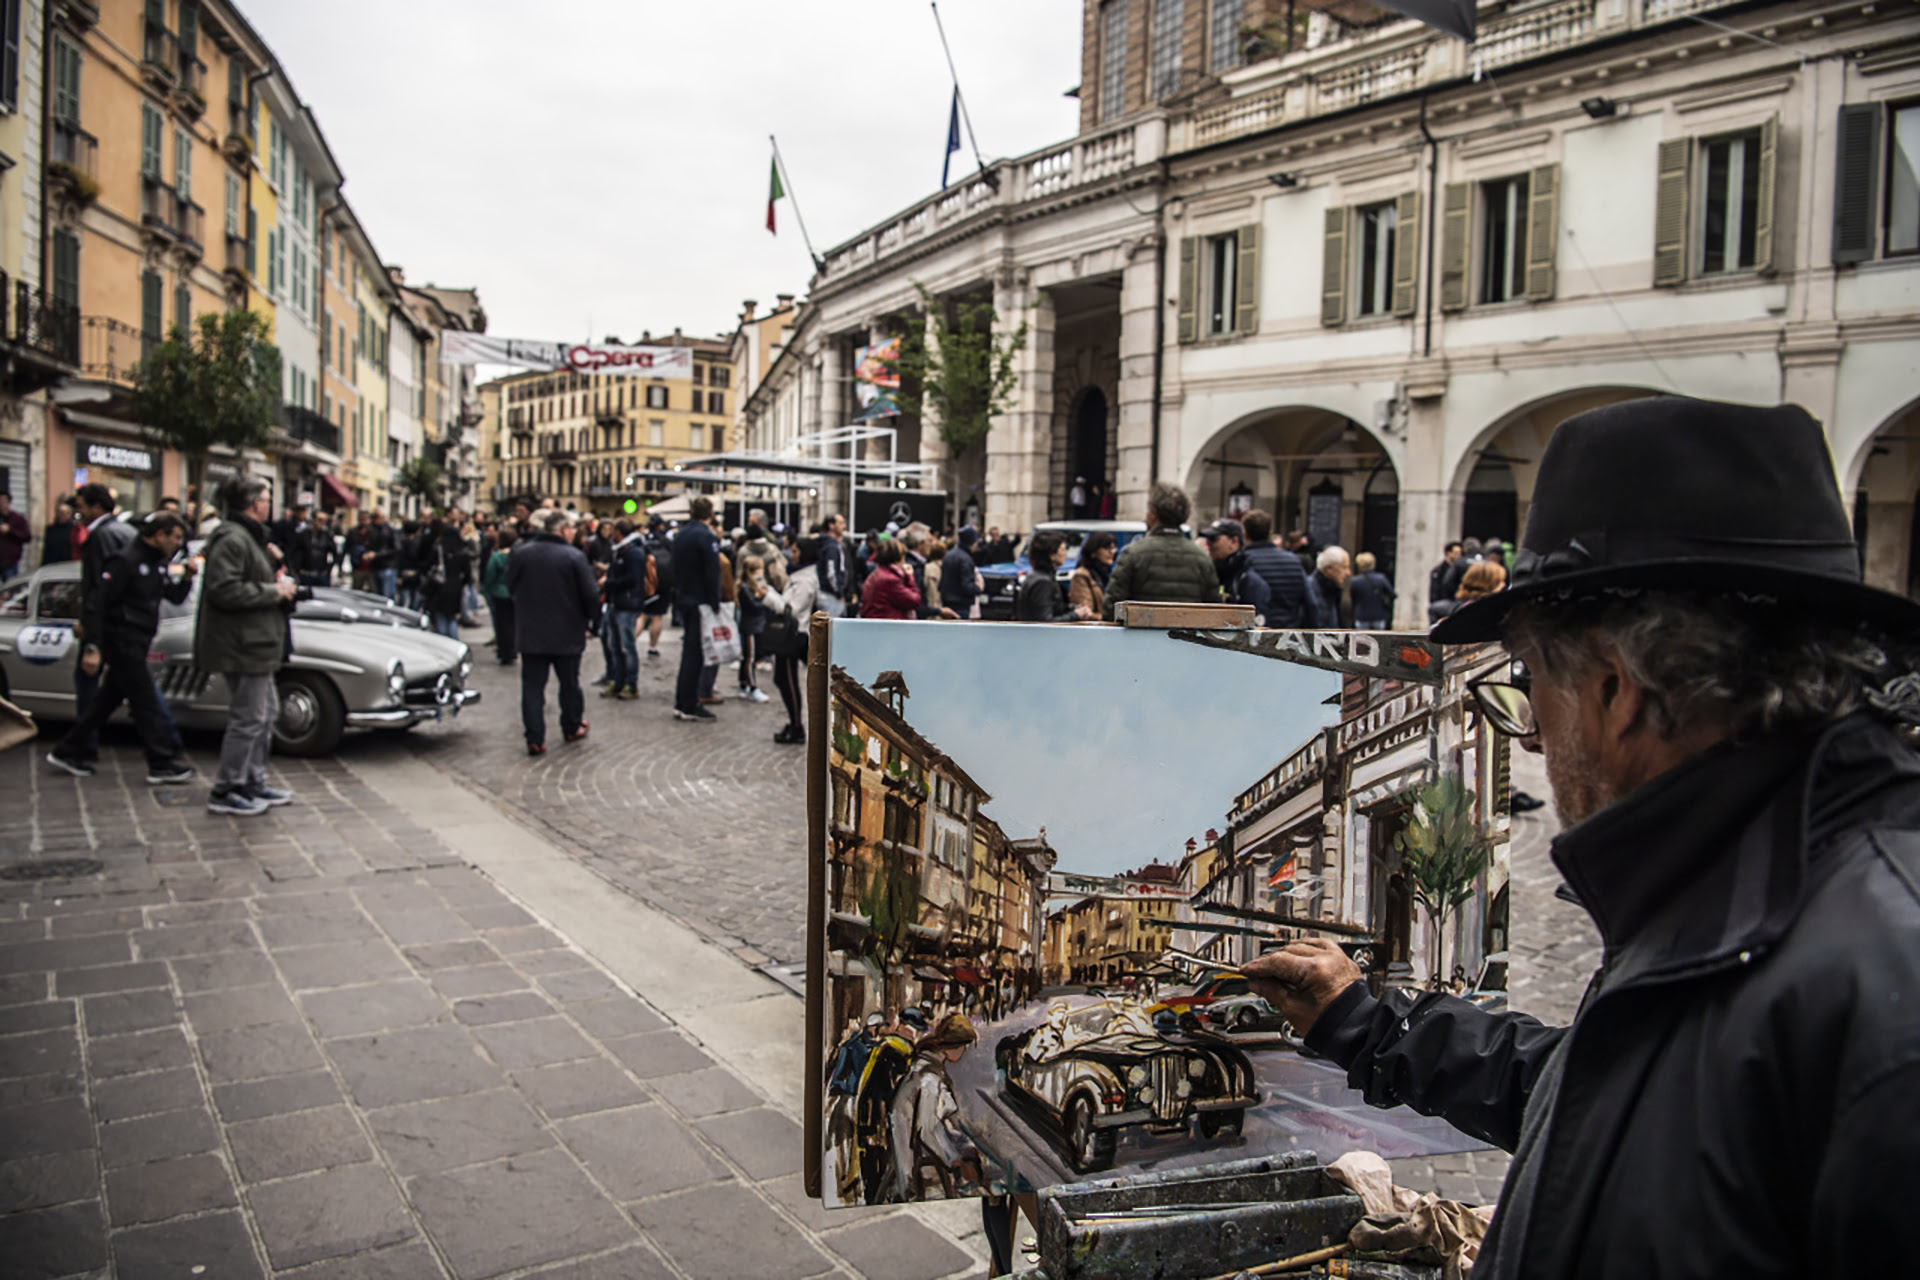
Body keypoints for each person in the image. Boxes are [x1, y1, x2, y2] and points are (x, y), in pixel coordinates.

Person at [1247, 396, 1920, 1280]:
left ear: (1615, 687)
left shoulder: (1879, 1001)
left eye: (1527, 682)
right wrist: (1367, 1027)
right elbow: (1624, 1097)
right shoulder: (1742, 887)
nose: (1526, 735)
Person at [45, 512, 196, 784]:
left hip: (139, 641)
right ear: (159, 535)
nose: (178, 543)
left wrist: (187, 576)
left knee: (106, 702)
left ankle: (68, 749)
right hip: (122, 641)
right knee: (145, 701)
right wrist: (93, 646)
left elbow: (173, 596)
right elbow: (97, 603)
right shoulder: (126, 561)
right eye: (175, 537)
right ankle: (161, 761)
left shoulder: (156, 563)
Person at [196, 477, 300, 817]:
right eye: (267, 499)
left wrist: (275, 567)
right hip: (243, 644)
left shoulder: (251, 539)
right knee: (249, 717)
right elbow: (223, 590)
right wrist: (274, 592)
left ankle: (253, 781)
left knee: (266, 713)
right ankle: (227, 787)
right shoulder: (232, 539)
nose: (269, 505)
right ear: (254, 504)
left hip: (258, 642)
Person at [506, 510, 599, 755]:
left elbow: (510, 585)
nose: (572, 533)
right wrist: (592, 620)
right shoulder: (573, 556)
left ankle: (535, 737)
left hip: (531, 631)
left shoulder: (522, 553)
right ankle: (571, 725)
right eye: (570, 529)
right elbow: (590, 594)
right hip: (567, 631)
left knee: (533, 687)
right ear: (562, 530)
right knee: (569, 683)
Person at [70, 483, 135, 761]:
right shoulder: (127, 532)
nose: (78, 513)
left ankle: (84, 745)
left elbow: (96, 588)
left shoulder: (99, 537)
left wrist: (91, 636)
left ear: (96, 507)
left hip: (105, 624)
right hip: (128, 622)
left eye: (81, 507)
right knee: (132, 685)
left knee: (88, 682)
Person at [887, 1013, 982, 1202]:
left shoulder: (926, 1067)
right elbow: (927, 1130)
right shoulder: (930, 1079)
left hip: (914, 1160)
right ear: (953, 1046)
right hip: (917, 1173)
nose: (964, 1052)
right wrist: (954, 1158)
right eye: (964, 1047)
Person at [1101, 482, 1218, 620]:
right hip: (1187, 640)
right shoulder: (1202, 557)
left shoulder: (1133, 553)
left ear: (1153, 515)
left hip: (1141, 638)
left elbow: (1111, 608)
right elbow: (1215, 610)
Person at [671, 496, 723, 722]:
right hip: (699, 601)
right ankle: (688, 704)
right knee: (695, 654)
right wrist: (715, 602)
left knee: (689, 653)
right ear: (710, 514)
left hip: (684, 597)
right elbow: (712, 573)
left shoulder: (680, 534)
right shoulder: (706, 536)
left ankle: (683, 700)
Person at [772, 537, 819, 745]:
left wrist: (768, 596)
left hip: (794, 635)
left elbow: (791, 609)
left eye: (795, 551)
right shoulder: (799, 575)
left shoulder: (805, 580)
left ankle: (797, 727)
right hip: (791, 634)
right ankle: (794, 724)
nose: (792, 554)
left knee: (788, 681)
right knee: (782, 679)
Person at [600, 519, 649, 700]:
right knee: (615, 644)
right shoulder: (621, 550)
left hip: (627, 603)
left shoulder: (632, 552)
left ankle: (630, 684)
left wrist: (609, 583)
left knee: (626, 645)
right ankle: (618, 681)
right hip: (617, 603)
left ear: (619, 532)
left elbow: (633, 578)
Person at [1240, 510, 1308, 628]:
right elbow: (1309, 600)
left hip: (1255, 632)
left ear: (1245, 533)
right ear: (1270, 533)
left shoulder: (1242, 561)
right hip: (1288, 633)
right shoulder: (1293, 561)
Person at [1200, 518, 1272, 623]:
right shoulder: (1216, 575)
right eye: (1207, 539)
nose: (1209, 544)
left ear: (1234, 542)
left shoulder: (1247, 581)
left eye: (1213, 538)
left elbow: (1257, 624)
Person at [1015, 531, 1090, 622]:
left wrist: (1073, 609)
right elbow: (1045, 621)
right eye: (1062, 549)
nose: (1065, 553)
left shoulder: (1041, 576)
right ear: (1052, 555)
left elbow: (1054, 608)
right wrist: (1075, 615)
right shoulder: (1042, 583)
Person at [422, 516, 472, 640]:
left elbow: (426, 566)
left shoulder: (438, 550)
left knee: (440, 617)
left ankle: (443, 642)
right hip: (455, 588)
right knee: (451, 618)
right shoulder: (462, 552)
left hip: (439, 586)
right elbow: (468, 575)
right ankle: (454, 643)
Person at [735, 553, 775, 703]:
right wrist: (763, 597)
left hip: (756, 625)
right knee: (750, 658)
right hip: (750, 626)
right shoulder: (745, 588)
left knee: (748, 656)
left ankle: (743, 684)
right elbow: (753, 606)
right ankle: (752, 686)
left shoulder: (753, 586)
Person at [858, 538, 921, 619]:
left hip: (876, 625)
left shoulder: (875, 574)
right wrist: (910, 577)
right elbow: (915, 601)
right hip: (888, 627)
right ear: (898, 558)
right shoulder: (890, 580)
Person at [640, 514, 675, 659]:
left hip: (646, 581)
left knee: (642, 615)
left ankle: (630, 642)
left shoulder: (643, 540)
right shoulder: (666, 541)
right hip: (663, 583)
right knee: (657, 616)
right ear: (661, 526)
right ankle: (653, 647)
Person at [481, 525, 517, 664]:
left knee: (501, 624)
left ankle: (504, 651)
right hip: (513, 592)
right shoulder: (517, 555)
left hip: (499, 593)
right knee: (513, 622)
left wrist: (486, 590)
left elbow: (489, 575)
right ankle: (512, 649)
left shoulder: (496, 557)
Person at [1428, 559, 1506, 621]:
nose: (1504, 585)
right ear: (1488, 584)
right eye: (1500, 581)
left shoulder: (1463, 608)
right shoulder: (1487, 612)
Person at [1068, 530, 1116, 620]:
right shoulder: (1081, 575)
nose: (1111, 552)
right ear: (1093, 552)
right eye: (1107, 548)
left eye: (1113, 548)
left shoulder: (1109, 574)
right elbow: (1086, 613)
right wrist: (1108, 619)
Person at [736, 510, 788, 591]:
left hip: (761, 588)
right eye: (748, 522)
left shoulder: (770, 541)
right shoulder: (745, 541)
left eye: (752, 522)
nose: (749, 525)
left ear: (761, 524)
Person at [1303, 545, 1351, 628]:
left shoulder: (1332, 590)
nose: (1348, 573)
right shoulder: (1310, 589)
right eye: (1344, 567)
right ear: (1329, 568)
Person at [940, 527, 984, 618]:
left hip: (947, 602)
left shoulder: (949, 555)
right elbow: (967, 586)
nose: (977, 545)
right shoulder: (966, 559)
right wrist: (978, 588)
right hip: (961, 604)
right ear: (971, 542)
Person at [1348, 551, 1394, 629]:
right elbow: (1392, 594)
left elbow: (1353, 599)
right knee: (1378, 639)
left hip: (1361, 615)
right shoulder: (1381, 578)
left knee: (1361, 639)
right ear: (1373, 564)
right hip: (1378, 615)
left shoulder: (1355, 581)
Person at [292, 509, 336, 589]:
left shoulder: (327, 535)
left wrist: (328, 569)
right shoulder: (303, 535)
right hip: (306, 573)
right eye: (320, 520)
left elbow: (334, 553)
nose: (322, 523)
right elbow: (296, 552)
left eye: (324, 521)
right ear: (313, 520)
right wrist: (298, 569)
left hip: (321, 573)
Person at [362, 509, 398, 600]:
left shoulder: (389, 530)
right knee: (377, 597)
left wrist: (377, 554)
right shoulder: (371, 529)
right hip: (375, 567)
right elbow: (368, 545)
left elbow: (396, 549)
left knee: (387, 596)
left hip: (387, 567)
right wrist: (366, 554)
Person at [0, 490, 30, 581]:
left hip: (10, 562)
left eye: (3, 501)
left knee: (10, 591)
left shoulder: (17, 519)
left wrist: (10, 530)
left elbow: (27, 537)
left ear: (8, 502)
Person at [42, 498, 78, 565]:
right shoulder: (50, 529)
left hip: (68, 563)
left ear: (69, 514)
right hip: (52, 563)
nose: (62, 515)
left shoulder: (74, 529)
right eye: (60, 512)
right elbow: (47, 549)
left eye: (64, 513)